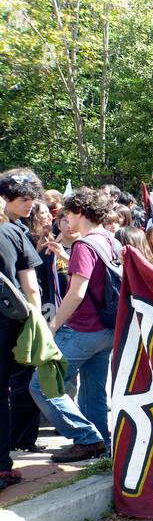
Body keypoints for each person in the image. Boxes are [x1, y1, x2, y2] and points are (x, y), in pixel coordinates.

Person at [30, 186, 118, 463]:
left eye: (67, 214)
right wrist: (66, 258)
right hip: (107, 329)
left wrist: (53, 325)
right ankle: (101, 444)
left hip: (83, 330)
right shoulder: (109, 240)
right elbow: (96, 278)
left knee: (42, 385)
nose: (65, 220)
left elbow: (77, 293)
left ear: (80, 212)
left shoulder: (83, 244)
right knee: (94, 392)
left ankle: (86, 438)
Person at [0, 170, 47, 483]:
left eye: (32, 199)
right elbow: (31, 288)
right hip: (7, 323)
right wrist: (40, 323)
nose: (30, 204)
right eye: (24, 199)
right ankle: (2, 464)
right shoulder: (14, 233)